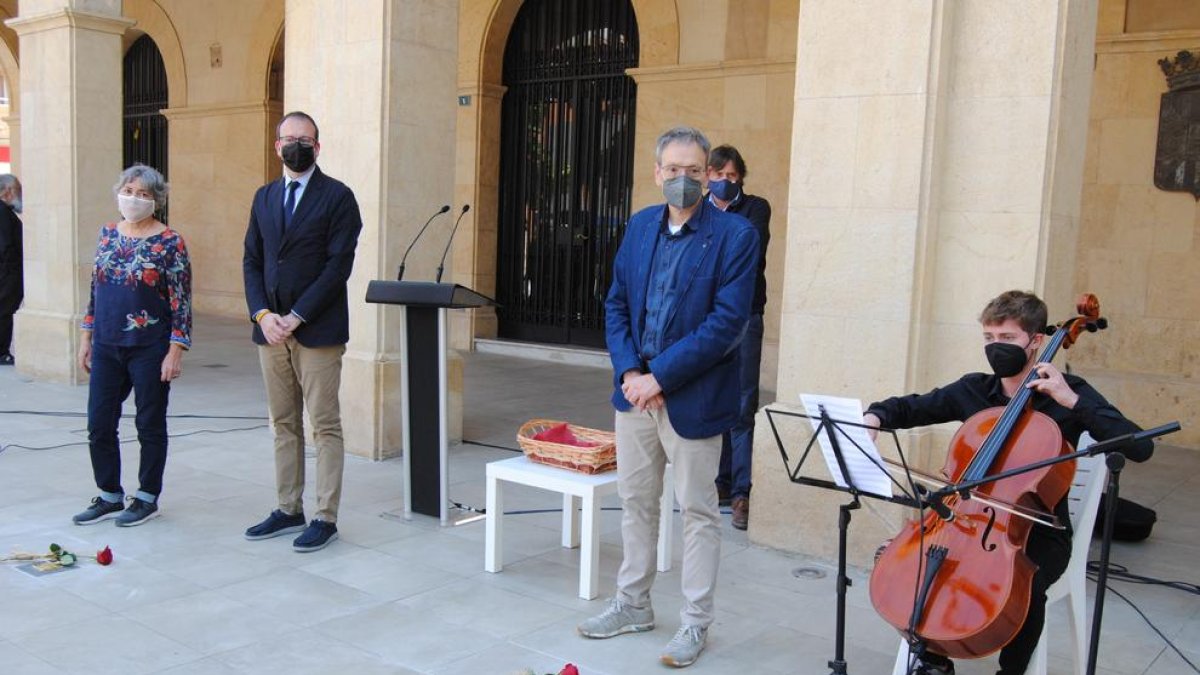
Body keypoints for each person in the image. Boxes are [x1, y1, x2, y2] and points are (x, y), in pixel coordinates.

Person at [862, 290, 1153, 675]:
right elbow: (911, 406)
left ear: (1035, 342)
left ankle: (1011, 671)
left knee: (1025, 585)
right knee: (907, 564)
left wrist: (1071, 401)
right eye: (989, 338)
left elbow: (1140, 446)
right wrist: (875, 417)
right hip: (961, 521)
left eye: (1007, 339)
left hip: (1038, 533)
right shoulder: (974, 390)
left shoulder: (1069, 392)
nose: (996, 348)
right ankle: (932, 659)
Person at [578, 126, 760, 668]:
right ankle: (633, 603)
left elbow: (727, 324)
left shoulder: (735, 236)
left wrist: (661, 378)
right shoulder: (638, 228)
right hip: (634, 397)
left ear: (708, 176)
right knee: (636, 503)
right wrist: (632, 371)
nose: (684, 179)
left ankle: (694, 623)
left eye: (695, 171)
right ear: (657, 173)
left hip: (693, 399)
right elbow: (615, 304)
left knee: (699, 512)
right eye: (673, 170)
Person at [242, 111, 363, 553]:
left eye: (305, 139)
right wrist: (262, 314)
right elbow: (252, 259)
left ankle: (324, 516)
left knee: (324, 425)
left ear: (318, 146)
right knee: (283, 423)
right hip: (270, 332)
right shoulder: (264, 196)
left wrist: (296, 315)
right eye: (289, 138)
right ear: (277, 146)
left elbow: (338, 266)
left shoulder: (338, 197)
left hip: (317, 330)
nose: (296, 145)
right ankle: (287, 507)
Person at [73, 165, 191, 527]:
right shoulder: (107, 234)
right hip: (107, 343)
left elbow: (181, 301)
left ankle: (146, 496)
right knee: (99, 423)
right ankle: (109, 494)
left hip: (149, 346)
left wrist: (175, 350)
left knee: (149, 423)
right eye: (129, 190)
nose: (134, 198)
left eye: (143, 194)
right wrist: (86, 337)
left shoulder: (170, 242)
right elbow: (96, 289)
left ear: (156, 200)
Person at [707, 145, 771, 531]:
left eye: (732, 176)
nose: (726, 182)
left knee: (744, 403)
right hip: (710, 318)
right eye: (719, 175)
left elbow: (748, 248)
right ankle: (721, 482)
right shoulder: (698, 209)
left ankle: (742, 491)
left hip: (746, 316)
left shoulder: (755, 208)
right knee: (716, 398)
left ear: (740, 177)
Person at [0, 174, 23, 366]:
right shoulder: (3, 213)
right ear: (7, 191)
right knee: (4, 312)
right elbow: (6, 245)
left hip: (6, 273)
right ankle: (1, 352)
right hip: (7, 275)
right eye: (17, 189)